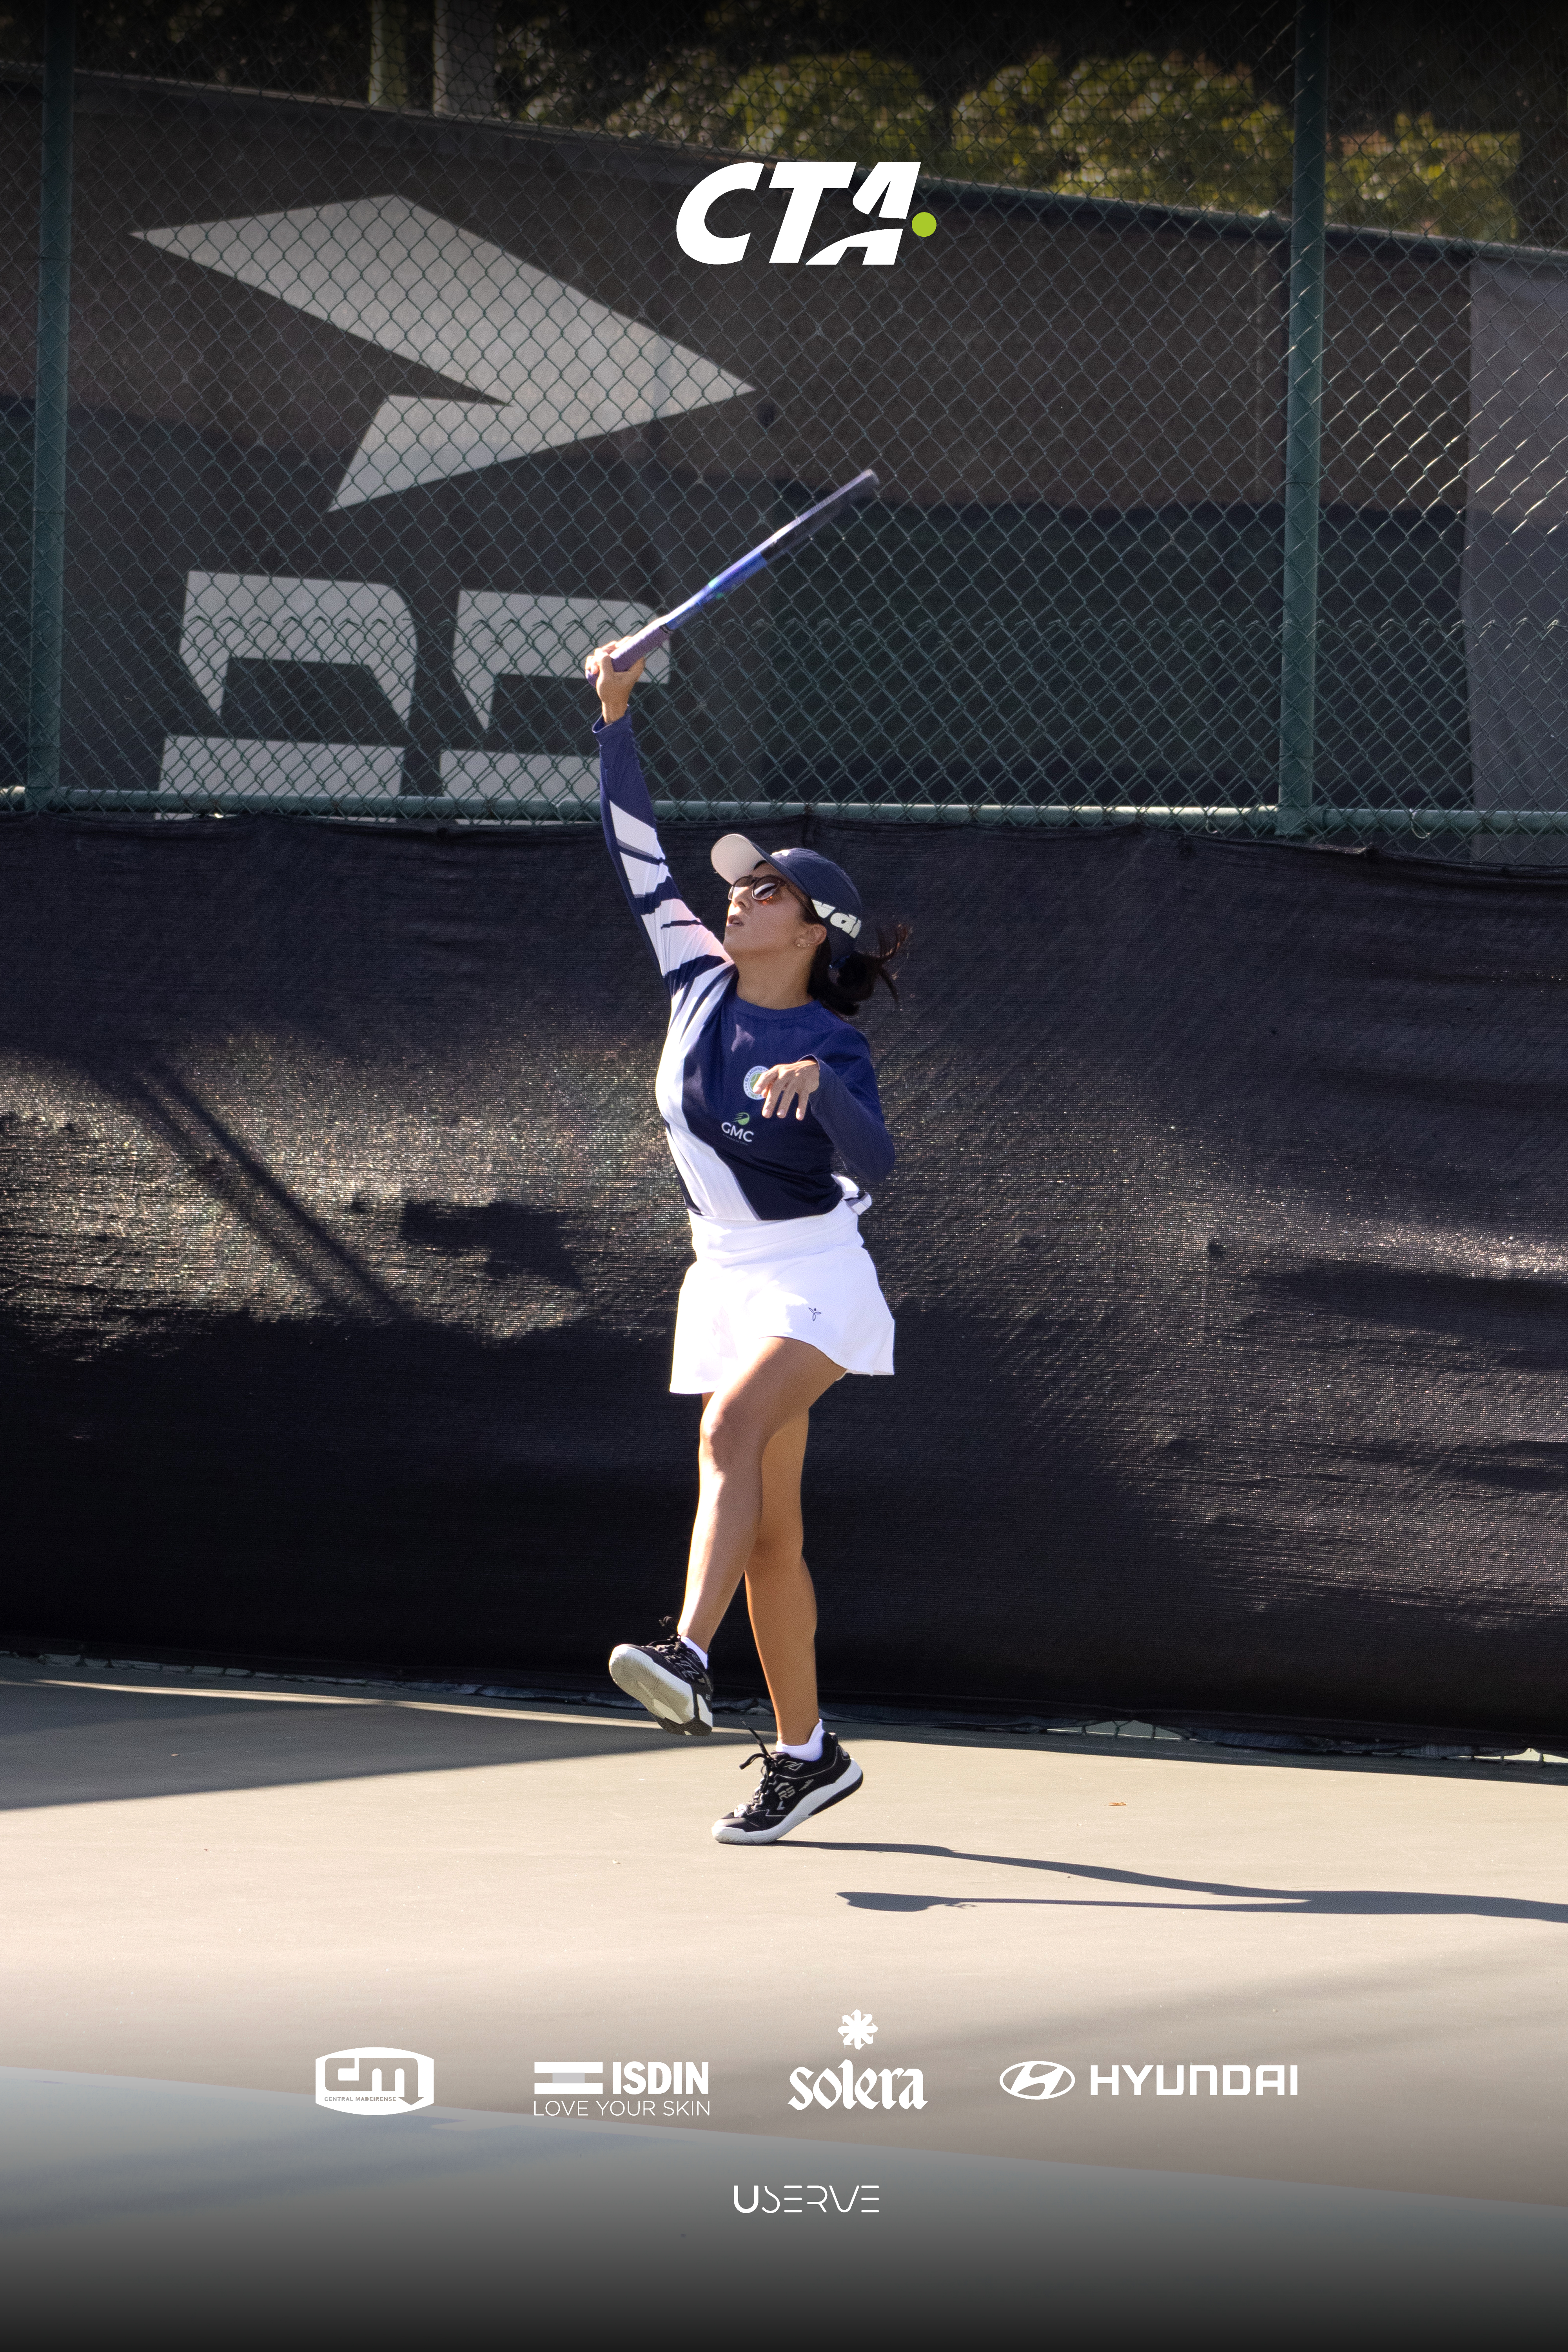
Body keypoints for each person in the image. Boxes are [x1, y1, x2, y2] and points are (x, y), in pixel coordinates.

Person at [584, 637, 907, 1845]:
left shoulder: (833, 1043)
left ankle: (683, 1649)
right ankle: (808, 1753)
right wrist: (615, 718)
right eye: (738, 884)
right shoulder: (698, 978)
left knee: (729, 1429)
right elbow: (634, 856)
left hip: (817, 1279)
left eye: (766, 889)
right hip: (722, 1274)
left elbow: (874, 1162)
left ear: (814, 928)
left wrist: (814, 1092)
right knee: (772, 1533)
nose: (738, 896)